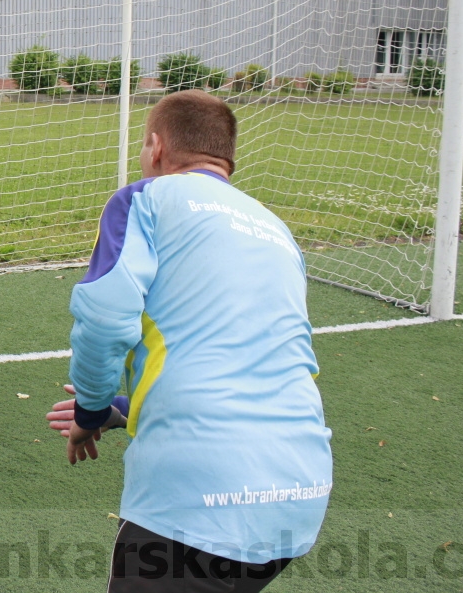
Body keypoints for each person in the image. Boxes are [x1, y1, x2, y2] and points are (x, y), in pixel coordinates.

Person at [46, 89, 332, 592]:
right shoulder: (276, 229)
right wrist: (124, 407)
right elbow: (239, 350)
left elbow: (106, 317)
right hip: (300, 488)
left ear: (156, 147)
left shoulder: (145, 198)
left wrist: (90, 413)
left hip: (199, 494)